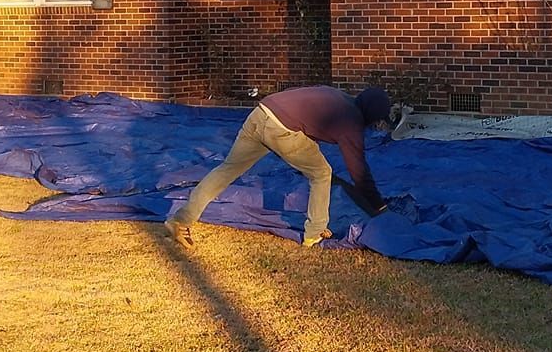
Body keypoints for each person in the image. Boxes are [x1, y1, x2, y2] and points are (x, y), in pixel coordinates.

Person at [166, 84, 393, 248]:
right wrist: (378, 206)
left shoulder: (339, 96)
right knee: (322, 173)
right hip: (281, 128)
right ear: (372, 114)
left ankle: (180, 220)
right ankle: (314, 233)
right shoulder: (350, 121)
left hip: (261, 112)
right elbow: (359, 172)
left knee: (226, 170)